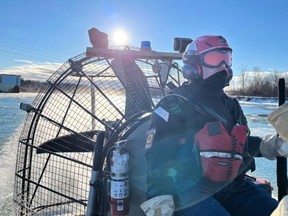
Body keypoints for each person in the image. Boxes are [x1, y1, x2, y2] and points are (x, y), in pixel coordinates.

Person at [141, 35, 288, 216]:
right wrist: (159, 196)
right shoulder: (175, 104)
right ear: (193, 65)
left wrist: (270, 145)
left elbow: (238, 144)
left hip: (234, 186)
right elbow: (158, 154)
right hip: (189, 188)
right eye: (215, 59)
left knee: (275, 211)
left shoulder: (231, 105)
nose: (223, 66)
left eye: (226, 59)